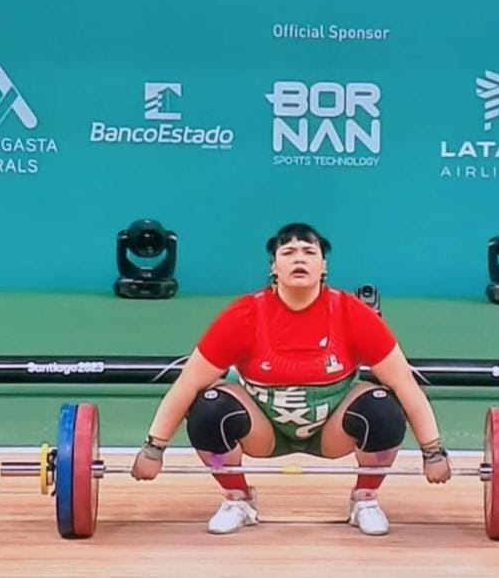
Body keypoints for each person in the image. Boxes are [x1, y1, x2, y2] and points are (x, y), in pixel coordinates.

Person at [130, 222, 452, 535]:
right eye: (288, 252)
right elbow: (188, 383)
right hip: (263, 431)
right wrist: (153, 448)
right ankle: (238, 499)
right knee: (209, 406)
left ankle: (365, 499)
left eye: (309, 251)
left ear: (323, 266)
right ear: (274, 267)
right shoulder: (244, 315)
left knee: (383, 406)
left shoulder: (352, 314)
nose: (299, 258)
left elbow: (404, 384)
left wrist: (433, 452)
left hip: (332, 431)